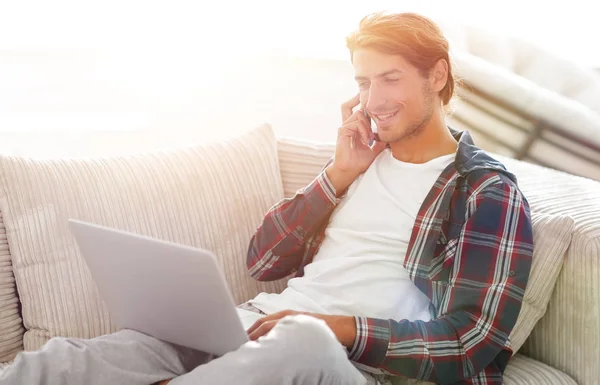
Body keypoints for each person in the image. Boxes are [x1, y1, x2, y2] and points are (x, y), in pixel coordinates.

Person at [0, 11, 533, 385]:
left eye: (390, 79)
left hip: (351, 363)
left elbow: (469, 342)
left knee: (303, 343)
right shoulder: (359, 162)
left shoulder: (483, 191)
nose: (373, 101)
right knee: (72, 362)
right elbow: (263, 259)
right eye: (363, 82)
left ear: (436, 75)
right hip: (258, 326)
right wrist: (337, 176)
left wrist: (332, 327)